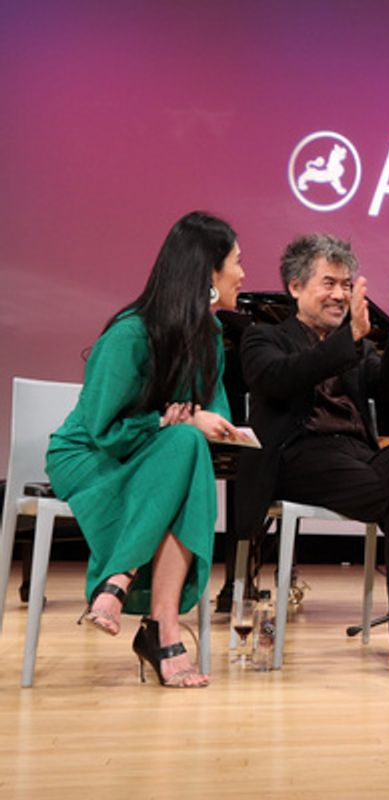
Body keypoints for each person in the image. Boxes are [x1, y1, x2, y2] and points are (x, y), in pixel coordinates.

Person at [235, 234, 389, 679]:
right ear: (295, 287)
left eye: (346, 283)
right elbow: (280, 378)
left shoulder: (354, 349)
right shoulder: (263, 338)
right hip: (298, 458)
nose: (341, 293)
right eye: (329, 283)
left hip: (354, 457)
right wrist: (348, 340)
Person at [46, 211, 245, 688]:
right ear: (208, 275)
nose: (242, 274)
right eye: (237, 262)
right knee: (181, 442)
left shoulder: (211, 338)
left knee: (186, 444)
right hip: (92, 457)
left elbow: (212, 416)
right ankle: (156, 622)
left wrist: (214, 428)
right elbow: (103, 428)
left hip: (163, 459)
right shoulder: (131, 334)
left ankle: (125, 588)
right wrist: (163, 421)